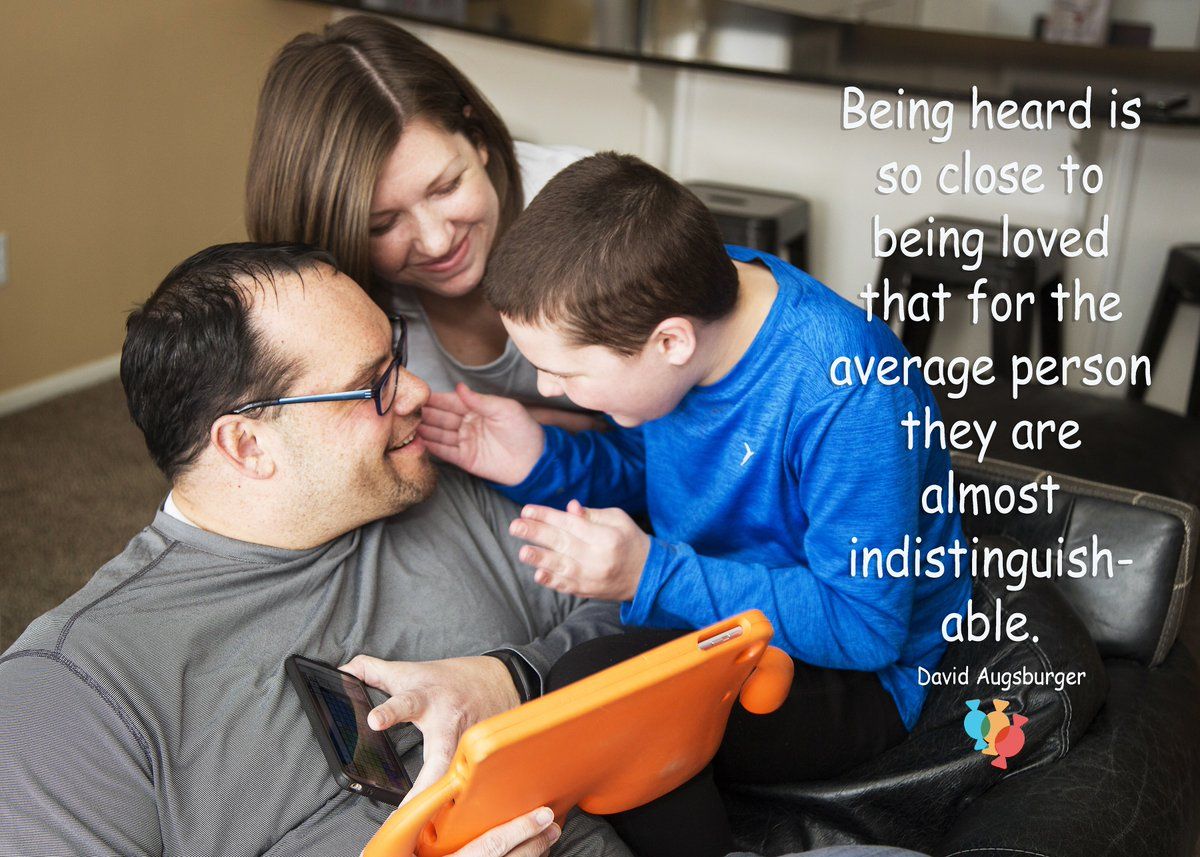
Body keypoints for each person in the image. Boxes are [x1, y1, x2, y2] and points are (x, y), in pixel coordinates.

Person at [417, 153, 973, 856]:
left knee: (594, 695)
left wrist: (651, 573)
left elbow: (865, 628)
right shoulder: (676, 300)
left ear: (670, 341)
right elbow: (666, 470)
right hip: (723, 627)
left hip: (856, 675)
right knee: (586, 707)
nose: (549, 390)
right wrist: (538, 460)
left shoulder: (849, 390)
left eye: (566, 371)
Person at [0, 243, 629, 857]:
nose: (414, 392)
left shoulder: (435, 486)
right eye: (369, 385)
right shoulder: (76, 693)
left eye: (396, 356)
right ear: (247, 446)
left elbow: (641, 613)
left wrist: (512, 677)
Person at [246, 15, 593, 429]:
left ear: (477, 139)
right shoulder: (323, 291)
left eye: (446, 187)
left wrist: (573, 443)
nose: (435, 242)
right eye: (383, 224)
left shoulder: (590, 208)